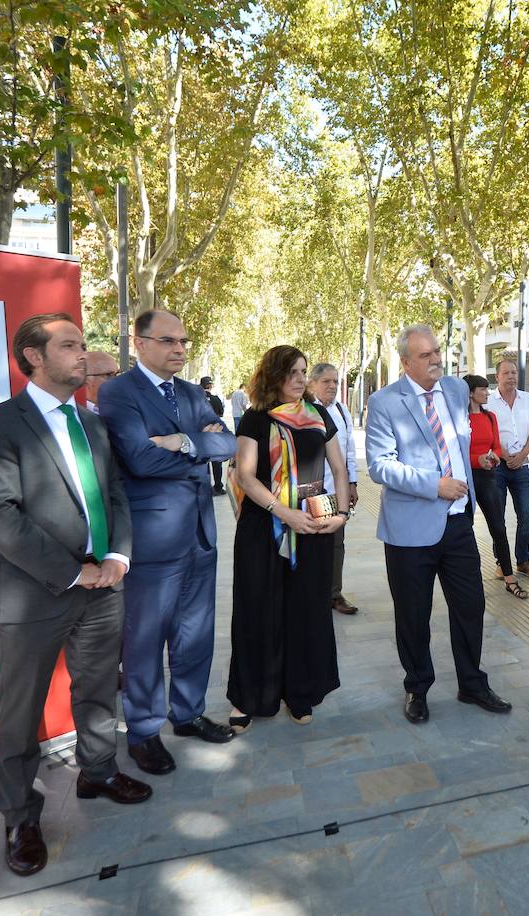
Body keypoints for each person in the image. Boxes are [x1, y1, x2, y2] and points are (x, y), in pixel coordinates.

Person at [0, 314, 150, 878]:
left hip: (104, 588)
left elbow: (114, 492)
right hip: (31, 596)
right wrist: (74, 572)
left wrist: (117, 556)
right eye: (68, 345)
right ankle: (20, 816)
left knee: (97, 688)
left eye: (82, 343)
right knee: (18, 713)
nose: (82, 353)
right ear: (33, 357)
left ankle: (97, 770)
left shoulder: (91, 424)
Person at [97, 310, 238, 776]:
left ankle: (189, 712)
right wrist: (199, 445)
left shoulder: (193, 393)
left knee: (195, 633)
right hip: (153, 541)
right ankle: (143, 731)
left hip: (199, 533)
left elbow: (229, 446)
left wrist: (178, 441)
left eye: (184, 341)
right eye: (168, 341)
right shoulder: (119, 392)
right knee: (145, 641)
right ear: (139, 343)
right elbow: (138, 460)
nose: (179, 349)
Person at [365, 324, 513, 724]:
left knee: (471, 606)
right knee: (413, 615)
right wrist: (435, 485)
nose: (435, 360)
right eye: (426, 355)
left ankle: (473, 684)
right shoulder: (384, 402)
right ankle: (417, 687)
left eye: (437, 352)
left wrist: (475, 464)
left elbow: (457, 442)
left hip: (458, 524)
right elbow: (380, 465)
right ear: (405, 361)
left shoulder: (452, 389)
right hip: (410, 530)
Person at [227, 347, 348, 729]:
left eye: (303, 371)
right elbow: (245, 476)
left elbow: (339, 469)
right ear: (273, 375)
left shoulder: (317, 414)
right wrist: (283, 514)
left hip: (312, 523)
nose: (300, 379)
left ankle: (300, 693)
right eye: (292, 372)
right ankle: (249, 698)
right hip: (264, 525)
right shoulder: (255, 417)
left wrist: (342, 514)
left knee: (306, 610)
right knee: (257, 610)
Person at [465, 374, 528, 600]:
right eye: (483, 389)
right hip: (466, 480)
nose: (487, 392)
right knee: (465, 530)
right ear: (471, 392)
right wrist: (476, 460)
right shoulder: (460, 418)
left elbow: (496, 446)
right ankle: (468, 579)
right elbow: (456, 451)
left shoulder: (490, 417)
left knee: (498, 528)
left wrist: (493, 456)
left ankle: (510, 578)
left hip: (488, 477)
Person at [310, 362, 361, 615]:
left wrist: (352, 483)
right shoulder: (306, 410)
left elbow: (350, 449)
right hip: (311, 492)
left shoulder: (341, 410)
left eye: (335, 381)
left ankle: (334, 594)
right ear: (313, 384)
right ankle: (311, 594)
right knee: (311, 544)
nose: (331, 386)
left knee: (336, 544)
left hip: (336, 492)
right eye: (326, 382)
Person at [487, 358, 529, 580]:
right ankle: (502, 563)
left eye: (514, 373)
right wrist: (502, 453)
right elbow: (485, 432)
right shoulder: (488, 402)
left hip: (522, 467)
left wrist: (522, 456)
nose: (511, 376)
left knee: (526, 516)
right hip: (497, 467)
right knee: (497, 518)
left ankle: (523, 561)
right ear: (497, 377)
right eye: (506, 373)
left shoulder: (527, 399)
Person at [200, 376, 228, 495]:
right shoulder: (215, 399)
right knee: (217, 461)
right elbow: (221, 412)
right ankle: (217, 486)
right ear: (210, 386)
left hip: (199, 433)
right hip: (215, 432)